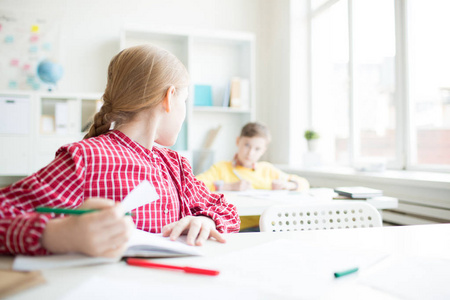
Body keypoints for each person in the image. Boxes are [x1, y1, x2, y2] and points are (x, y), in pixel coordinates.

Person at [0, 44, 240, 257]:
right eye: (184, 101)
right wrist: (58, 234)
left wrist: (205, 220)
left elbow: (227, 210)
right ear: (170, 97)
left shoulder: (176, 165)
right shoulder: (85, 157)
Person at [196, 122, 309, 231]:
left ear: (263, 150)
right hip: (239, 229)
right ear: (238, 141)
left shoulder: (267, 169)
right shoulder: (221, 168)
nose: (250, 153)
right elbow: (195, 185)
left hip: (269, 227)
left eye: (257, 149)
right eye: (247, 145)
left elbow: (304, 183)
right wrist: (228, 186)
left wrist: (288, 185)